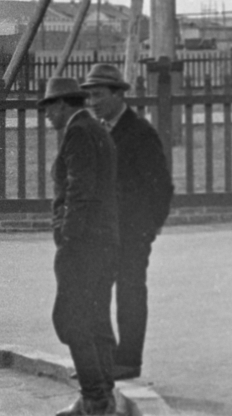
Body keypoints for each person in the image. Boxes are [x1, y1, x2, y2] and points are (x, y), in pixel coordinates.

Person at [82, 62, 174, 380]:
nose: (92, 102)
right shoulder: (96, 131)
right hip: (101, 233)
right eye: (89, 96)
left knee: (129, 293)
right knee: (95, 292)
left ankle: (128, 361)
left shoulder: (139, 132)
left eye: (98, 95)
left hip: (132, 232)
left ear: (119, 94)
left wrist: (149, 229)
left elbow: (161, 186)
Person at [39, 76, 121, 416]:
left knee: (71, 319)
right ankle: (103, 396)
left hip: (83, 244)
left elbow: (79, 191)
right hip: (105, 242)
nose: (46, 116)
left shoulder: (77, 132)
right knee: (96, 317)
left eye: (48, 108)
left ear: (62, 104)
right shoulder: (96, 129)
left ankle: (95, 398)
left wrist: (67, 237)